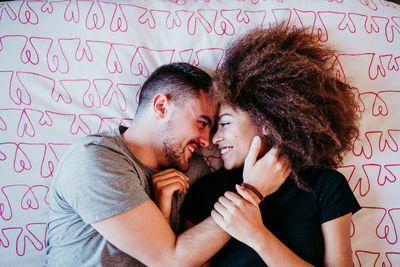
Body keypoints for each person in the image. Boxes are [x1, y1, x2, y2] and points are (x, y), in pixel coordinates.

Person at [45, 62, 290, 266]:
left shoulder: (197, 171)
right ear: (161, 106)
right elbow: (167, 260)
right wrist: (251, 192)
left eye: (214, 127)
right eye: (202, 122)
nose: (208, 141)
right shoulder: (96, 160)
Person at [181, 24, 362, 267]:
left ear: (265, 120)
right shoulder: (206, 192)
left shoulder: (325, 185)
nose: (214, 139)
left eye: (224, 123)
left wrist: (257, 236)